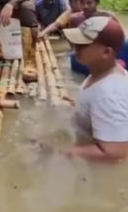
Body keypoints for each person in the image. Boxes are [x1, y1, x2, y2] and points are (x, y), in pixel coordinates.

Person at [39, 16, 128, 161]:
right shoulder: (103, 74)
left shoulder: (108, 95)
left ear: (106, 52)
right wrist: (80, 102)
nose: (75, 46)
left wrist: (61, 150)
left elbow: (115, 153)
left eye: (83, 43)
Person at [38, 0, 116, 40]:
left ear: (97, 3)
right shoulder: (73, 17)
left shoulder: (108, 17)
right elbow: (56, 24)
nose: (85, 6)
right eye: (71, 1)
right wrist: (43, 33)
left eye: (89, 3)